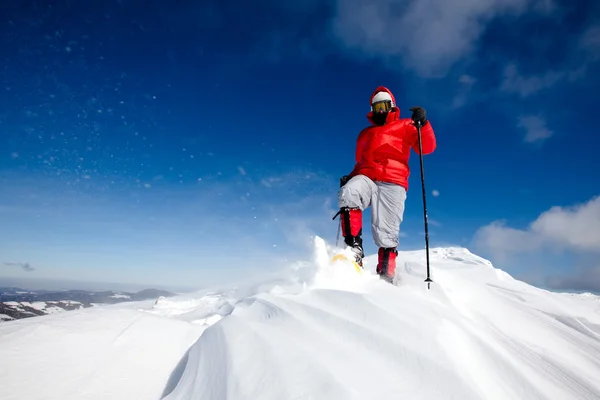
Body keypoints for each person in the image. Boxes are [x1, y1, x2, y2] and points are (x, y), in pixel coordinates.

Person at [336, 85, 436, 283]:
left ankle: (386, 275)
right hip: (367, 176)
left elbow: (427, 147)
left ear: (392, 106)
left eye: (384, 106)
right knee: (349, 192)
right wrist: (352, 175)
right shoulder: (365, 134)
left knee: (386, 231)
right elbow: (361, 161)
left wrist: (422, 124)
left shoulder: (406, 125)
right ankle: (353, 251)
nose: (380, 110)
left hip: (393, 181)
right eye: (376, 107)